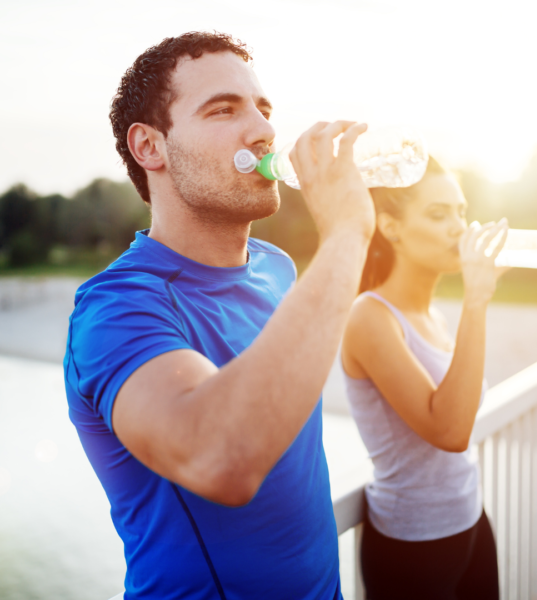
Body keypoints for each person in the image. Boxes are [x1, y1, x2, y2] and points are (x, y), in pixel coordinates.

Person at [64, 31, 375, 599]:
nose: (263, 130)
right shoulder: (114, 309)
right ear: (150, 148)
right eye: (223, 109)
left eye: (263, 108)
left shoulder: (276, 267)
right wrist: (348, 233)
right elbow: (220, 459)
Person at [341, 158, 507, 599]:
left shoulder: (432, 314)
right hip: (413, 544)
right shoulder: (370, 317)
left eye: (461, 211)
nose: (459, 228)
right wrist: (477, 300)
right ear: (391, 227)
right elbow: (450, 430)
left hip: (469, 519)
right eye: (438, 214)